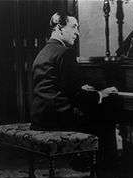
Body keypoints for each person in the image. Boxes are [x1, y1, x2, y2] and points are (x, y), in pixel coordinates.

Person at [31, 11, 122, 169]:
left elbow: (59, 86)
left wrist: (80, 89)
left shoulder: (43, 52)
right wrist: (100, 93)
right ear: (60, 28)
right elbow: (76, 96)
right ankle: (108, 174)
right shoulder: (65, 53)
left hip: (41, 117)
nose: (77, 32)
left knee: (94, 111)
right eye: (73, 27)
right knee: (106, 115)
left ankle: (84, 162)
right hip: (58, 118)